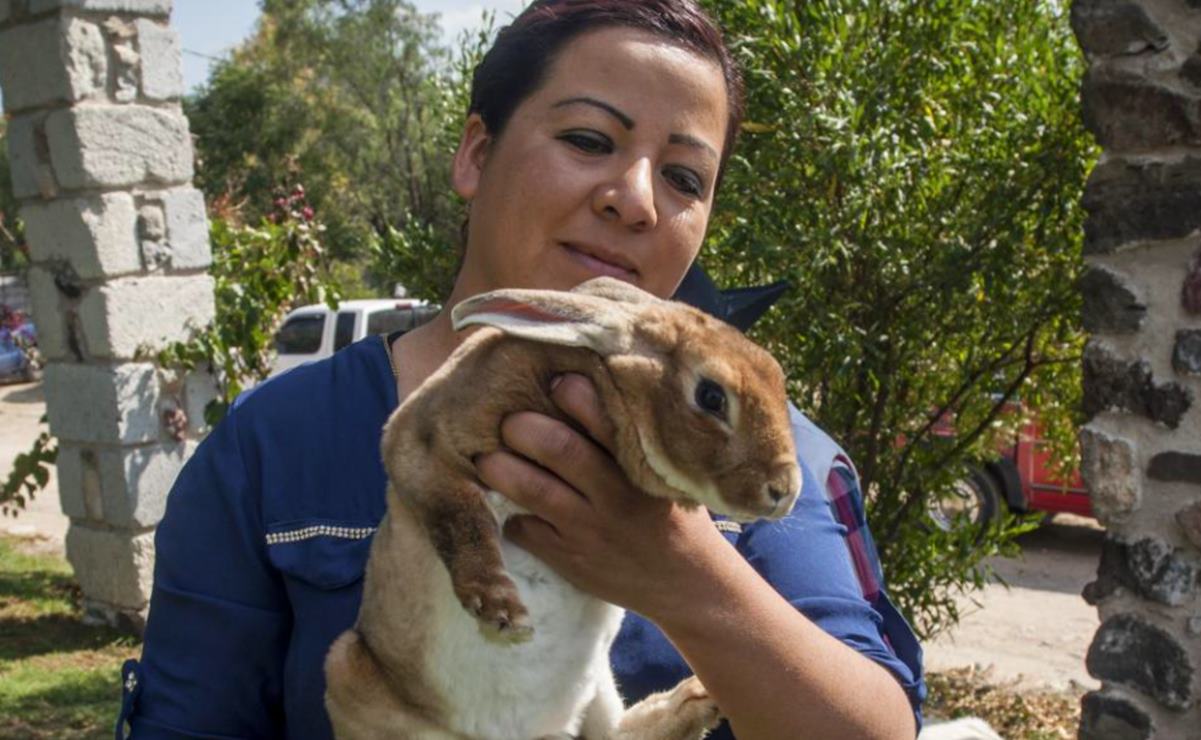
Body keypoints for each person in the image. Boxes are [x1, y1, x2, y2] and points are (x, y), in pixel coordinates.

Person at [116, 1, 924, 738]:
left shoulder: (763, 454)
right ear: (475, 154)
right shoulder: (273, 443)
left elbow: (874, 725)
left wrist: (682, 573)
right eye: (587, 139)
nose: (634, 199)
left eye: (683, 177)